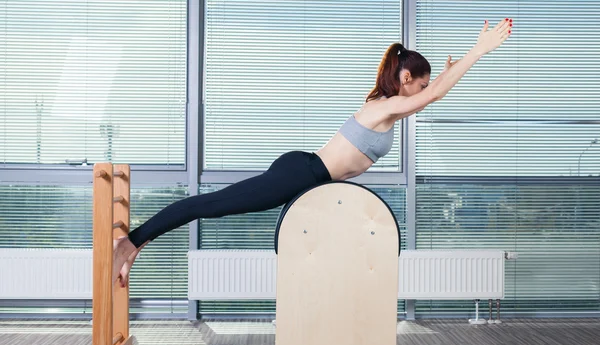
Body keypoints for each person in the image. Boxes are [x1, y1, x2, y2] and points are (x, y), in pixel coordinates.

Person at [113, 18, 513, 287]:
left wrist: (455, 64)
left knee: (219, 207)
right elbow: (435, 93)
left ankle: (135, 246)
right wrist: (479, 51)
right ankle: (131, 243)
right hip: (303, 175)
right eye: (420, 86)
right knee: (211, 205)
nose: (424, 95)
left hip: (307, 174)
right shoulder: (384, 107)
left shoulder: (387, 102)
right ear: (405, 79)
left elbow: (433, 92)